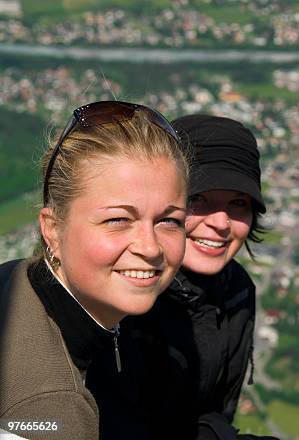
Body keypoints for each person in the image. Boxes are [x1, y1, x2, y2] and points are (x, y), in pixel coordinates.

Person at [0, 101, 188, 440]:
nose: (150, 247)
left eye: (169, 220)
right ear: (53, 230)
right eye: (118, 219)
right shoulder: (53, 406)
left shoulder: (14, 280)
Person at [88, 115, 277, 440]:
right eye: (198, 199)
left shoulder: (236, 289)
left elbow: (219, 412)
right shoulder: (122, 294)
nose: (221, 222)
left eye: (238, 203)